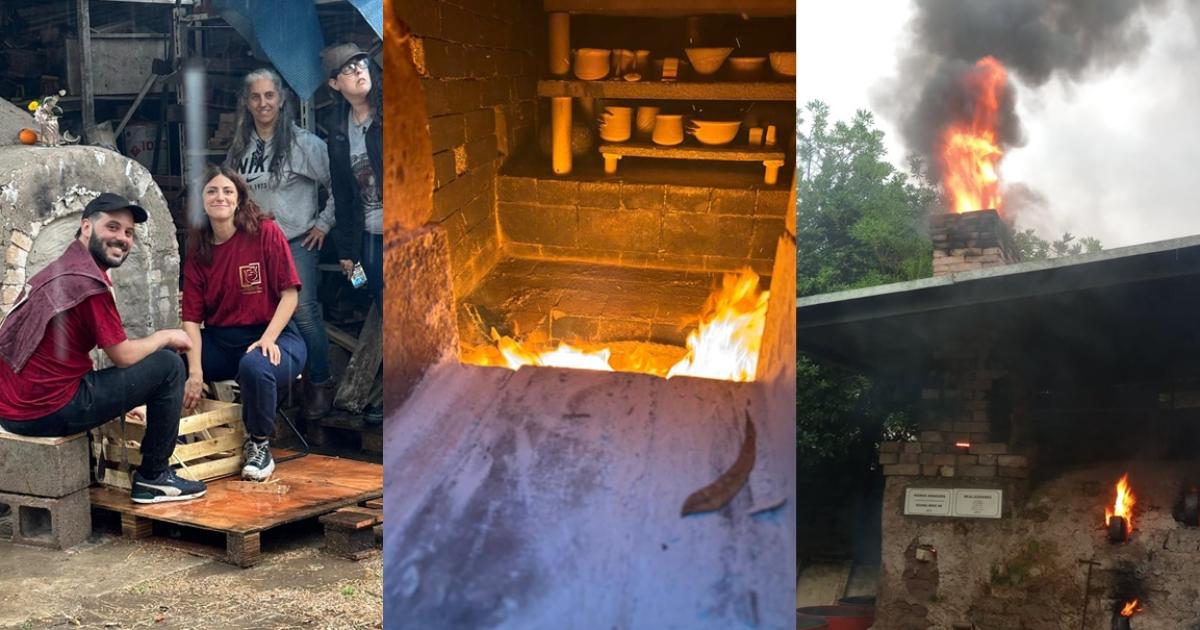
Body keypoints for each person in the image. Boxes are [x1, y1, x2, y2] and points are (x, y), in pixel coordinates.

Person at [0, 193, 206, 504]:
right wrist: (166, 335)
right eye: (112, 227)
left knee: (154, 365)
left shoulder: (60, 267)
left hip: (12, 409)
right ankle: (153, 477)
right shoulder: (88, 284)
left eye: (128, 233)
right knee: (169, 365)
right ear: (86, 227)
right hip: (45, 410)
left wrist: (126, 398)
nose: (122, 238)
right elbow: (123, 356)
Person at [225, 67, 337, 422]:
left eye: (269, 96)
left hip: (294, 242)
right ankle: (276, 385)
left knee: (303, 313)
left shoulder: (305, 144)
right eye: (255, 97)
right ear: (247, 102)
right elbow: (232, 192)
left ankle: (319, 383)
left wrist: (323, 223)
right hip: (254, 245)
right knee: (262, 316)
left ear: (281, 99)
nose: (263, 103)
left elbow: (340, 186)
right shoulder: (241, 147)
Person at [181, 164, 307, 482]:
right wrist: (195, 372)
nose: (219, 196)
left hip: (277, 335)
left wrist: (268, 339)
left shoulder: (264, 231)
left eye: (227, 190)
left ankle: (260, 445)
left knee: (255, 364)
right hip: (222, 339)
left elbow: (290, 294)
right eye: (211, 191)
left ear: (239, 199)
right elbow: (192, 320)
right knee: (171, 359)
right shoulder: (199, 249)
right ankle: (173, 439)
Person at [322, 42, 383, 424]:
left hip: (403, 231)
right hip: (366, 238)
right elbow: (343, 194)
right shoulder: (338, 131)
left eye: (362, 63)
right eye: (348, 69)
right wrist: (346, 251)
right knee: (364, 288)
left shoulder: (389, 113)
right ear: (334, 84)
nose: (359, 70)